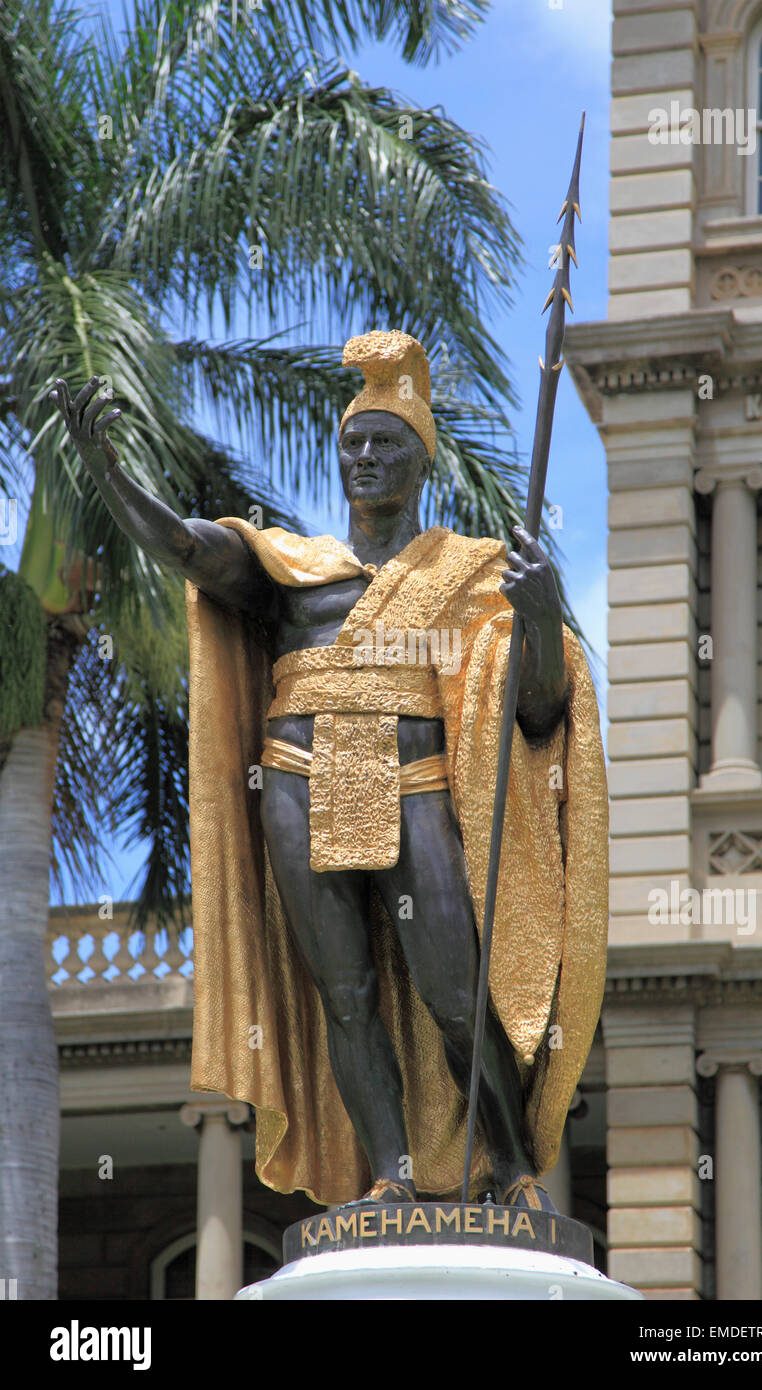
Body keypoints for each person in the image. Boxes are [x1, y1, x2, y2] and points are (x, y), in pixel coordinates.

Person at [51, 330, 608, 1211]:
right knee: (342, 994)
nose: (365, 457)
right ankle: (387, 1169)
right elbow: (189, 548)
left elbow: (537, 713)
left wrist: (538, 624)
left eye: (384, 443)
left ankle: (510, 1165)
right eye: (352, 443)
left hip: (413, 778)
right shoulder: (291, 568)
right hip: (296, 781)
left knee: (453, 990)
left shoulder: (466, 572)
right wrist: (109, 474)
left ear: (418, 461)